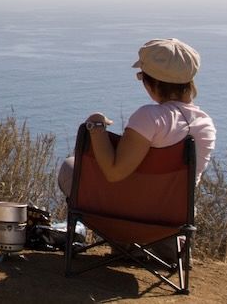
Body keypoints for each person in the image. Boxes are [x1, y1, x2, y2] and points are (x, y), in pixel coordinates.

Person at [57, 38, 217, 262]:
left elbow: (114, 172)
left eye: (142, 77)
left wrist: (96, 127)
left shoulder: (150, 117)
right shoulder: (205, 126)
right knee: (162, 194)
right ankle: (168, 247)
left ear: (154, 83)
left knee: (69, 167)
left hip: (120, 216)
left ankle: (124, 245)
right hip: (170, 219)